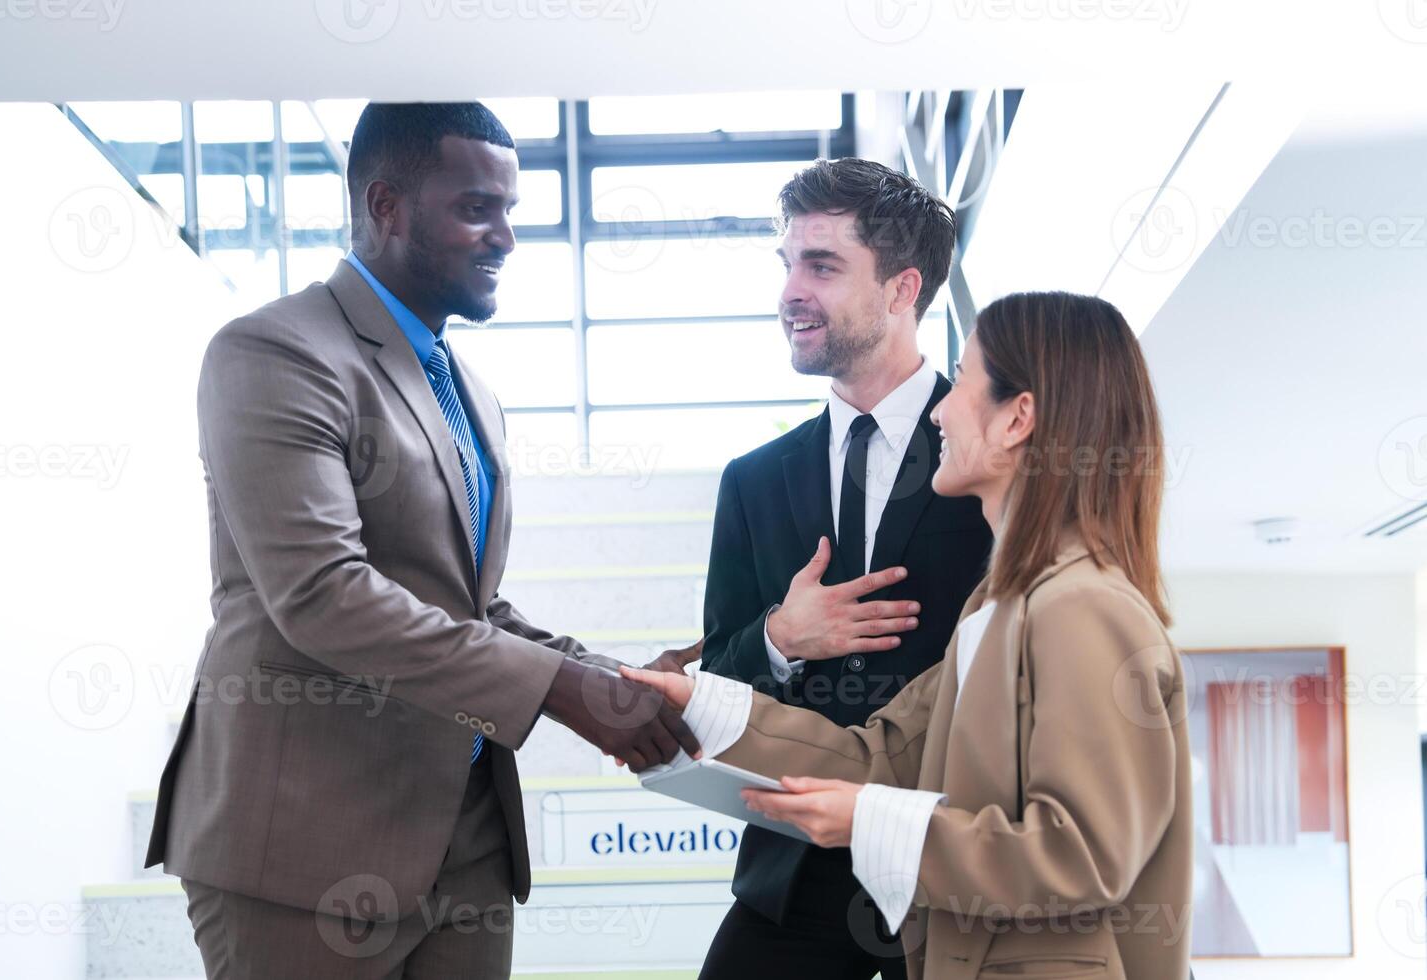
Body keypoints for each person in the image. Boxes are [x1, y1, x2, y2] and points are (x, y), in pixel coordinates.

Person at [145, 101, 698, 979]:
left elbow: (468, 604)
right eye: (478, 208)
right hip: (305, 845)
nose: (507, 238)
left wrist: (606, 678)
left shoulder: (466, 385)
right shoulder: (274, 353)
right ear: (386, 205)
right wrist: (564, 690)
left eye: (511, 210)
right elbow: (324, 596)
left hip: (465, 833)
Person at [627, 291, 1193, 980]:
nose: (940, 408)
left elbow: (1082, 855)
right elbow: (881, 757)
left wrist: (871, 823)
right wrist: (698, 705)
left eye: (965, 378)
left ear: (1018, 419)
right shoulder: (1002, 606)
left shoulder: (1081, 607)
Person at [673, 158, 992, 979]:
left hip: (950, 869)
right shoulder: (753, 481)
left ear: (900, 289)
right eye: (787, 265)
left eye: (821, 265)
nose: (790, 292)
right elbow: (721, 674)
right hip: (797, 873)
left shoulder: (997, 457)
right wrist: (781, 637)